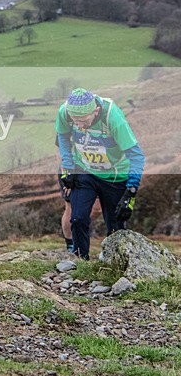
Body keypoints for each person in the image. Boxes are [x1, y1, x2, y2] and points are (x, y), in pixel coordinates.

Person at [56, 88, 145, 261]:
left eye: (83, 120)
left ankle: (115, 262)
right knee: (78, 218)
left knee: (115, 226)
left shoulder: (113, 118)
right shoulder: (65, 112)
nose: (79, 126)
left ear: (96, 111)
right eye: (76, 121)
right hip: (84, 170)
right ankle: (81, 260)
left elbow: (137, 156)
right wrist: (68, 167)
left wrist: (131, 191)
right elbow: (63, 136)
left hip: (114, 176)